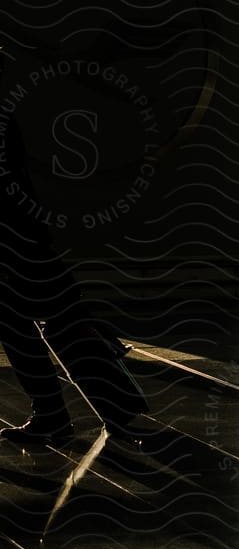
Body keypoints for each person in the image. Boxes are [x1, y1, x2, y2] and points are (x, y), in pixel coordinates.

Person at [0, 104, 147, 450]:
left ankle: (57, 411)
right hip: (21, 235)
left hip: (14, 238)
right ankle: (104, 402)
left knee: (32, 318)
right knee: (53, 315)